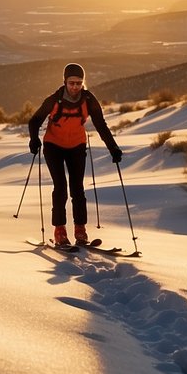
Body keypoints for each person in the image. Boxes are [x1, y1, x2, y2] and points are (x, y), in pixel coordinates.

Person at [27, 63, 123, 247]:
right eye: (71, 83)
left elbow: (101, 125)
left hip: (77, 146)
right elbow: (35, 121)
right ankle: (60, 231)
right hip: (53, 146)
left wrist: (114, 148)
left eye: (79, 83)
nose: (75, 87)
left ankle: (80, 230)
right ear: (65, 81)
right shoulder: (54, 99)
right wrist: (33, 139)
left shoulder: (88, 99)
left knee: (78, 188)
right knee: (61, 187)